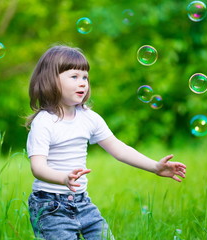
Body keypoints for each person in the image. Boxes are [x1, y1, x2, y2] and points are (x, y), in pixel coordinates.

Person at [26, 45, 187, 240]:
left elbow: (119, 149)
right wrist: (63, 178)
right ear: (51, 80)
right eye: (74, 76)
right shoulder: (44, 122)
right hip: (50, 207)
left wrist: (155, 167)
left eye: (85, 77)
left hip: (82, 202)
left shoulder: (89, 118)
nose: (83, 83)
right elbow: (38, 167)